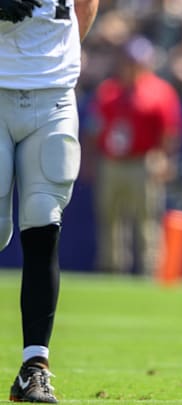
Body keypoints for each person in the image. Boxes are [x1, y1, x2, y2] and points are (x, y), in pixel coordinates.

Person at [0, 0, 98, 402]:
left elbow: (87, 4)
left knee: (44, 221)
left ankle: (34, 367)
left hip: (54, 92)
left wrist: (56, 58)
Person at [82, 35, 182, 276]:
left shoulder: (160, 91)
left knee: (147, 221)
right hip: (112, 162)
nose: (131, 66)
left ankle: (150, 270)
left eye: (136, 62)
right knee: (110, 220)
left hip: (143, 162)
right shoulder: (108, 91)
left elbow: (170, 132)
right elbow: (92, 129)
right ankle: (111, 269)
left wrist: (167, 161)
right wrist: (89, 161)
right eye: (128, 61)